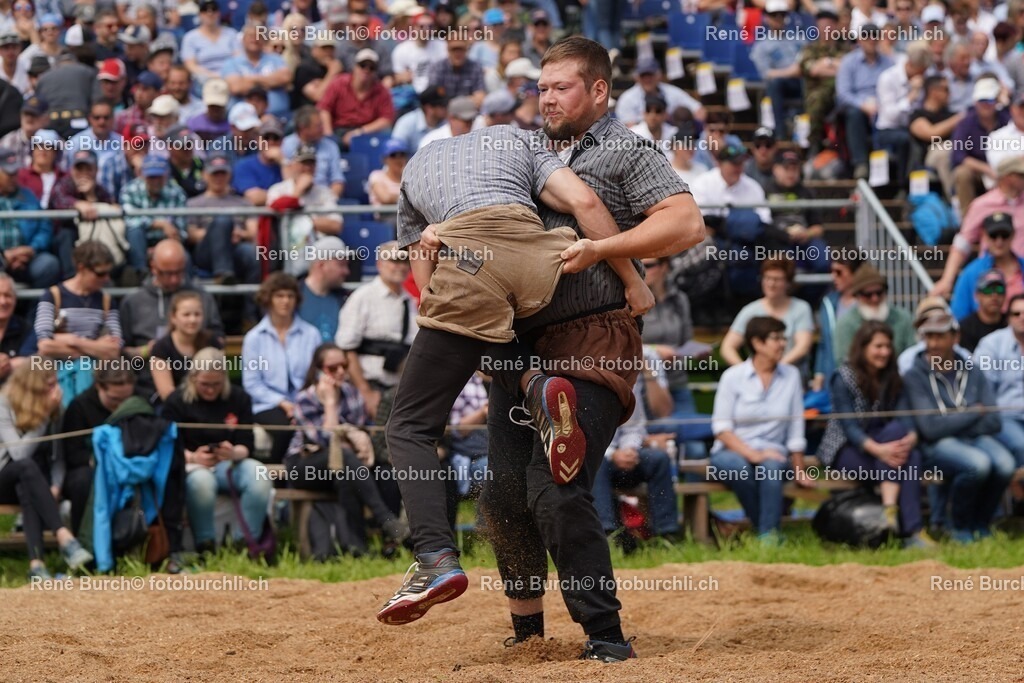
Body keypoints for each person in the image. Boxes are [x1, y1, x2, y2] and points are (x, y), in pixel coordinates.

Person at [476, 36, 704, 661]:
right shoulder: (522, 149)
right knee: (500, 491)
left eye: (561, 87)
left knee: (555, 484)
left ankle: (605, 634)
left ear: (599, 90)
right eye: (541, 87)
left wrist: (604, 250)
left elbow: (687, 224)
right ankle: (527, 634)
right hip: (517, 346)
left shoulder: (627, 149)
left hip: (594, 337)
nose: (546, 97)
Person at [377, 124, 655, 626]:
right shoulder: (516, 140)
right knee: (492, 333)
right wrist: (634, 281)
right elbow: (586, 204)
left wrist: (439, 310)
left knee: (408, 426)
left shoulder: (416, 167)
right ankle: (535, 382)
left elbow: (424, 262)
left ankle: (435, 558)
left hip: (469, 259)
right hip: (541, 260)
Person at [903, 308, 1016, 542]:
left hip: (971, 438)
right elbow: (930, 429)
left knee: (1005, 464)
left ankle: (981, 524)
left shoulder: (972, 369)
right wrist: (973, 412)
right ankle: (958, 525)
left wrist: (951, 421)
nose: (933, 343)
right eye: (929, 336)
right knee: (978, 464)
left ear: (955, 338)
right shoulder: (915, 375)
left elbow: (994, 420)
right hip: (934, 446)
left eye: (940, 336)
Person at [286, 342, 409, 557]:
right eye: (333, 368)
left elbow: (363, 434)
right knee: (343, 456)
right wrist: (330, 404)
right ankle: (387, 522)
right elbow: (325, 441)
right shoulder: (305, 398)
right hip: (305, 466)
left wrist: (350, 438)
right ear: (318, 370)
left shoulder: (352, 394)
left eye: (343, 365)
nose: (341, 371)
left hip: (344, 466)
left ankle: (357, 548)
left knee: (353, 473)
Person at [818, 321, 932, 547]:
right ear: (863, 347)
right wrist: (881, 451)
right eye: (878, 347)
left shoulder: (892, 376)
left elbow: (904, 415)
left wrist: (911, 437)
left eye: (888, 347)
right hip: (848, 447)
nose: (884, 352)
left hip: (888, 442)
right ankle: (911, 530)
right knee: (911, 461)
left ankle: (893, 518)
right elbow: (849, 428)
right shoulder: (843, 377)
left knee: (906, 446)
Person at [710, 316, 810, 544]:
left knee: (771, 467)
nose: (783, 343)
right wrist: (754, 454)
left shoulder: (791, 376)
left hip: (773, 453)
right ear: (757, 343)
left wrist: (799, 468)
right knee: (739, 467)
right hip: (731, 452)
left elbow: (796, 426)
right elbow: (722, 428)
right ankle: (766, 531)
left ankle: (767, 538)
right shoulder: (732, 377)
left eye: (784, 338)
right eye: (776, 338)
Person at [162, 347, 271, 554]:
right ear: (193, 378)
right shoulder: (177, 401)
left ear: (225, 378)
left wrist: (232, 453)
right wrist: (193, 456)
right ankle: (206, 545)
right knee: (201, 482)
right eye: (205, 384)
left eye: (216, 384)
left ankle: (245, 543)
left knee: (259, 475)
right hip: (191, 465)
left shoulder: (239, 398)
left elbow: (246, 444)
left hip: (229, 463)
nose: (211, 390)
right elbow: (167, 444)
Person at [0, 365, 94, 579]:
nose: (56, 389)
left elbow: (58, 458)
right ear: (33, 387)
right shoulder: (4, 404)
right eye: (50, 384)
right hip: (4, 478)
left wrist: (55, 486)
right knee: (26, 467)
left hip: (33, 484)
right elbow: (18, 453)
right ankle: (64, 537)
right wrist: (43, 417)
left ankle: (37, 566)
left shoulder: (56, 410)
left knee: (28, 488)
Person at [591, 361, 681, 549]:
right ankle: (607, 534)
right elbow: (584, 436)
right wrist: (613, 454)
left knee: (658, 459)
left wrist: (629, 450)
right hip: (597, 458)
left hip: (626, 455)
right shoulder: (584, 381)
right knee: (596, 463)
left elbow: (634, 425)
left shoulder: (629, 375)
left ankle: (667, 534)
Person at [242, 272, 323, 464]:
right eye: (279, 296)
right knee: (284, 429)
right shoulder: (254, 338)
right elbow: (252, 384)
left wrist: (301, 403)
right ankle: (274, 480)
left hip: (306, 401)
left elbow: (316, 375)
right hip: (267, 404)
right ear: (268, 299)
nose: (285, 301)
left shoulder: (311, 334)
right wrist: (283, 403)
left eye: (290, 296)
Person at [34, 241, 123, 406]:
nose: (106, 279)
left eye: (108, 273)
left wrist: (73, 340)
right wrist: (95, 347)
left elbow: (114, 349)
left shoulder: (106, 301)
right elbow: (45, 346)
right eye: (100, 273)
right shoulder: (53, 295)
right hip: (56, 374)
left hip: (93, 374)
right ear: (82, 268)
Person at [639, 255, 712, 453]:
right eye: (639, 264)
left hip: (677, 381)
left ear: (664, 267)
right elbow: (627, 344)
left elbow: (686, 339)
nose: (643, 269)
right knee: (662, 436)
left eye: (649, 265)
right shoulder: (633, 298)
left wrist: (694, 352)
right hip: (645, 386)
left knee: (695, 449)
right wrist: (655, 351)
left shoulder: (679, 299)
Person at [120, 239, 224, 362]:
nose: (174, 279)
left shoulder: (202, 298)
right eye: (167, 273)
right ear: (153, 267)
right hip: (146, 374)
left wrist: (192, 343)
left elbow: (219, 341)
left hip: (194, 371)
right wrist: (147, 351)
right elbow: (122, 352)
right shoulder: (133, 302)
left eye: (179, 272)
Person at [934, 158, 1024, 299]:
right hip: (992, 280)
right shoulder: (982, 205)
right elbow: (962, 243)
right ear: (1008, 177)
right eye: (1021, 175)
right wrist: (947, 279)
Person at [720, 259, 815, 373]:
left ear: (788, 282)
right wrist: (746, 371)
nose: (771, 284)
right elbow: (727, 347)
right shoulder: (750, 310)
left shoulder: (801, 308)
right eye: (767, 278)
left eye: (777, 279)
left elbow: (803, 347)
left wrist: (778, 368)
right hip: (757, 380)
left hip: (791, 375)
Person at [184, 151, 260, 288]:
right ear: (205, 175)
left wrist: (239, 234)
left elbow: (253, 232)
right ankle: (223, 273)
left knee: (252, 253)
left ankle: (251, 305)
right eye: (214, 173)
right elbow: (191, 234)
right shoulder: (193, 204)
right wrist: (221, 233)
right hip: (206, 252)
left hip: (236, 248)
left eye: (222, 173)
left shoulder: (243, 202)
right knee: (223, 221)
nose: (219, 178)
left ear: (229, 175)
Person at [0, 147, 59, 288]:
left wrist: (31, 249)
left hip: (27, 257)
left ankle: (35, 310)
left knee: (49, 265)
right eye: (8, 173)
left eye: (15, 172)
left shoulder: (28, 196)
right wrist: (4, 256)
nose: (14, 177)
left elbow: (44, 227)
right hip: (2, 257)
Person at [833, 264, 916, 364]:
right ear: (857, 296)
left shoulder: (903, 318)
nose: (874, 298)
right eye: (868, 294)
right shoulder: (846, 324)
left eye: (879, 292)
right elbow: (843, 361)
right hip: (859, 377)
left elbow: (913, 355)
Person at [150, 290, 223, 403]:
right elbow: (167, 393)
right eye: (186, 315)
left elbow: (221, 381)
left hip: (211, 403)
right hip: (177, 407)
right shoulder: (161, 348)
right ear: (173, 317)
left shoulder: (212, 342)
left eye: (197, 314)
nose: (192, 320)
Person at [119, 154, 187, 272]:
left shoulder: (177, 193)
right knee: (134, 231)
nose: (155, 181)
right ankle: (141, 274)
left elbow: (181, 230)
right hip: (138, 242)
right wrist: (159, 224)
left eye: (159, 177)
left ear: (166, 175)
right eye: (151, 177)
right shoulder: (129, 190)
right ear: (143, 175)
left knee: (184, 258)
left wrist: (161, 250)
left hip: (166, 242)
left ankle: (185, 288)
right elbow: (129, 220)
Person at [317, 48, 395, 149]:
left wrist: (359, 132)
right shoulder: (339, 83)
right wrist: (329, 134)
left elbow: (386, 119)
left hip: (366, 132)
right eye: (362, 66)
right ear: (355, 67)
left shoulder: (381, 91)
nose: (366, 70)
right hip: (338, 130)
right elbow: (324, 108)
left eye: (371, 67)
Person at [813, 253, 864, 392]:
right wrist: (819, 374)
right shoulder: (828, 302)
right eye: (832, 271)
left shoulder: (869, 303)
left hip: (861, 378)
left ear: (856, 273)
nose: (834, 276)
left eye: (839, 272)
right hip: (832, 378)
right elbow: (823, 343)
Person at [958, 270, 1008, 351]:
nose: (994, 296)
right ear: (977, 296)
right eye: (988, 290)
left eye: (999, 290)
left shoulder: (1012, 323)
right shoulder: (964, 328)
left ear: (1005, 295)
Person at [0, 272, 34, 384]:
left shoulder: (25, 328)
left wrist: (8, 365)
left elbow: (34, 361)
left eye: (8, 295)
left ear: (15, 299)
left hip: (15, 394)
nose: (3, 301)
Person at [367, 138, 407, 221]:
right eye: (393, 155)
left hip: (408, 215)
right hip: (386, 217)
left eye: (402, 154)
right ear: (384, 159)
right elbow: (385, 198)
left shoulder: (409, 177)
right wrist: (408, 198)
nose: (398, 159)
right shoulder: (377, 175)